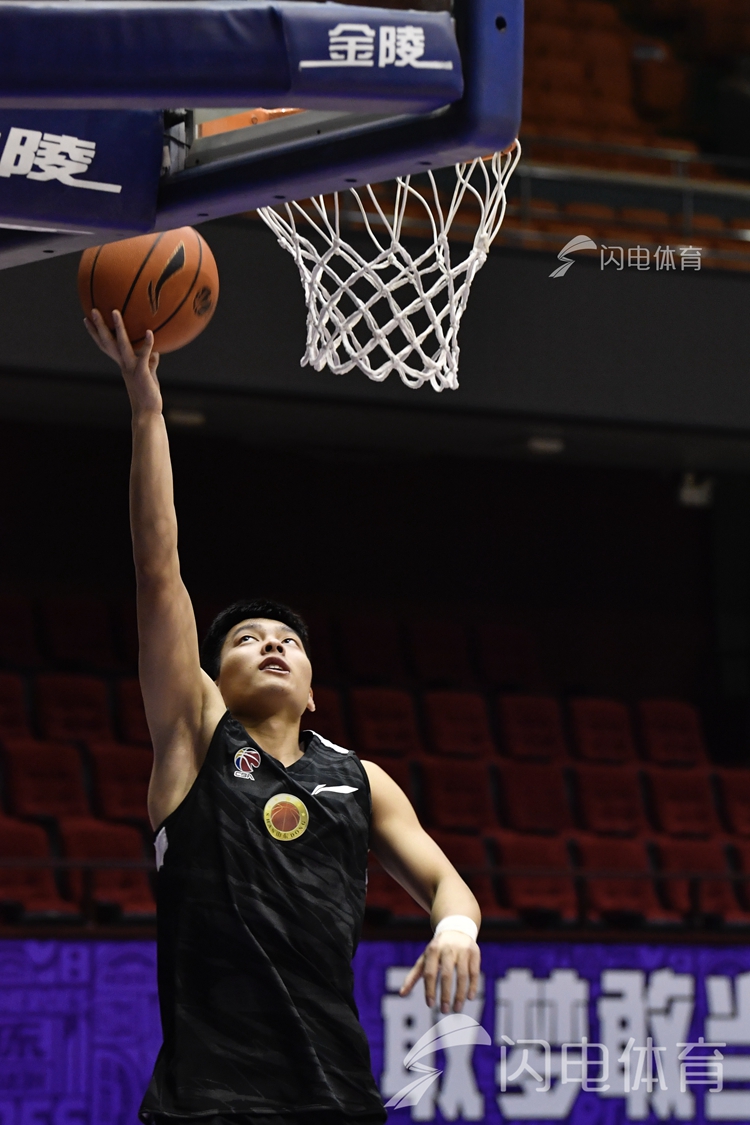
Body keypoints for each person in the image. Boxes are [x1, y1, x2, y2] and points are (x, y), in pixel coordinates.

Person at [85, 308, 483, 1125]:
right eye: (246, 639)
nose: (271, 644)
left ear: (311, 688)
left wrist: (454, 929)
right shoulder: (194, 737)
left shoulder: (361, 778)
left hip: (335, 1096)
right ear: (212, 676)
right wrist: (147, 409)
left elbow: (448, 882)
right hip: (205, 1103)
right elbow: (158, 567)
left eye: (288, 642)